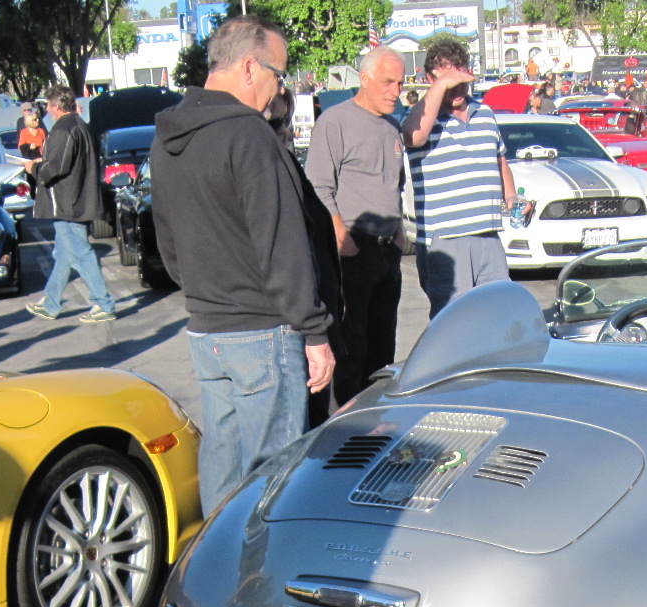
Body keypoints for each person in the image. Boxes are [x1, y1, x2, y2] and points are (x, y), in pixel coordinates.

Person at [151, 15, 334, 512]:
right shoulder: (250, 134)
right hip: (264, 333)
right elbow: (283, 244)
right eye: (279, 74)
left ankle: (219, 560)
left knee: (224, 478)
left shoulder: (167, 139)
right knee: (271, 488)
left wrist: (210, 292)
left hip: (206, 332)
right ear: (250, 67)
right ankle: (258, 563)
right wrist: (314, 332)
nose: (280, 90)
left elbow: (169, 247)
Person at [307, 46, 406, 405]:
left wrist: (399, 234)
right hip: (353, 252)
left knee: (383, 348)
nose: (396, 91)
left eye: (401, 83)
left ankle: (375, 419)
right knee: (351, 347)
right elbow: (318, 187)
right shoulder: (335, 122)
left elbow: (394, 185)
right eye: (388, 82)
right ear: (364, 79)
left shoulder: (392, 126)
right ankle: (347, 423)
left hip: (387, 253)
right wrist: (341, 236)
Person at [400, 37, 514, 317]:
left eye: (461, 77)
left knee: (498, 312)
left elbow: (500, 158)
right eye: (448, 80)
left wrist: (511, 196)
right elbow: (413, 136)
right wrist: (440, 86)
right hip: (446, 238)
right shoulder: (421, 117)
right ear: (431, 79)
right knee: (454, 318)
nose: (457, 86)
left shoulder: (485, 113)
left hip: (488, 234)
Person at [24, 85, 117, 323]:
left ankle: (104, 303)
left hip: (68, 203)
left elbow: (56, 167)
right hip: (77, 200)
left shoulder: (63, 129)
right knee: (64, 255)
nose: (46, 110)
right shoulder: (81, 126)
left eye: (48, 105)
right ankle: (51, 303)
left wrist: (34, 167)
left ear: (56, 106)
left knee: (81, 254)